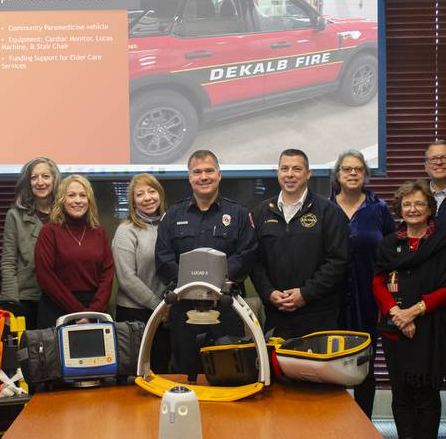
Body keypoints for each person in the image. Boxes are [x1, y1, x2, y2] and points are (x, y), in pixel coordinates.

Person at [155, 150, 257, 380]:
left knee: (229, 373)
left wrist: (213, 285)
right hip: (184, 311)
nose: (203, 177)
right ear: (189, 177)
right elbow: (163, 258)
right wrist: (194, 287)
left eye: (209, 171)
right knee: (186, 375)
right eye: (197, 172)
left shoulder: (238, 214)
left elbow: (247, 255)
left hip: (226, 307)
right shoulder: (172, 215)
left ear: (219, 175)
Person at [372, 180, 446, 439]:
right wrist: (397, 313)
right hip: (394, 328)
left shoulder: (444, 243)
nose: (413, 209)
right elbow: (377, 282)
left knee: (427, 395)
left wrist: (413, 312)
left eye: (419, 203)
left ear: (430, 208)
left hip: (431, 328)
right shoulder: (388, 244)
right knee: (401, 393)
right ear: (399, 209)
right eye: (407, 204)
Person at [251, 148, 350, 339]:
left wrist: (305, 294)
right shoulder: (261, 212)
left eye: (296, 169)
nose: (290, 174)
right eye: (284, 169)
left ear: (308, 174)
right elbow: (255, 261)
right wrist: (269, 293)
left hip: (319, 315)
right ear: (277, 172)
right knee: (277, 369)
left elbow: (338, 261)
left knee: (315, 369)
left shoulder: (329, 212)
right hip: (276, 314)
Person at [330, 149, 396, 418]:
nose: (353, 173)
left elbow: (393, 251)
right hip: (331, 299)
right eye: (347, 169)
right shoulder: (324, 208)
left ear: (366, 175)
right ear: (338, 175)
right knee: (332, 366)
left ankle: (363, 425)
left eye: (358, 169)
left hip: (369, 299)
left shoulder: (379, 209)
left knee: (363, 364)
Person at [34, 175, 115, 328]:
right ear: (62, 200)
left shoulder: (99, 232)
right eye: (71, 195)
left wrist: (92, 312)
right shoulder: (49, 231)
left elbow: (107, 275)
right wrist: (78, 312)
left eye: (83, 195)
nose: (78, 200)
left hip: (95, 311)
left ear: (89, 200)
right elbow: (45, 277)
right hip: (57, 310)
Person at [112, 173, 170, 373]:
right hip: (135, 315)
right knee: (137, 375)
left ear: (160, 194)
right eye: (140, 194)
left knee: (162, 372)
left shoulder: (169, 225)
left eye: (152, 191)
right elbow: (127, 279)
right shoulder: (126, 230)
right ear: (133, 202)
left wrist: (166, 309)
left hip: (165, 314)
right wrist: (159, 308)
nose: (147, 197)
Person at [0, 157, 61, 327]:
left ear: (55, 180)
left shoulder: (66, 213)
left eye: (46, 176)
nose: (40, 182)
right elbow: (8, 263)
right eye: (34, 177)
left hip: (61, 297)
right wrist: (10, 305)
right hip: (27, 298)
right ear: (28, 182)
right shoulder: (15, 215)